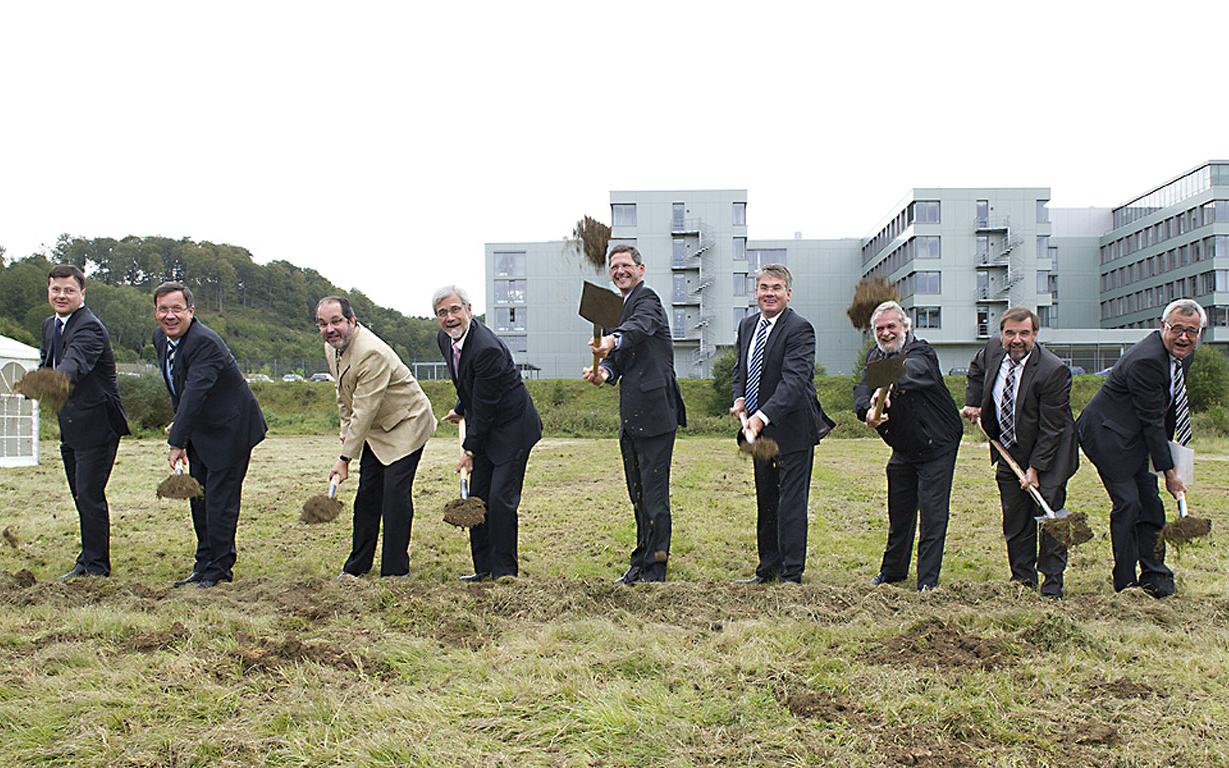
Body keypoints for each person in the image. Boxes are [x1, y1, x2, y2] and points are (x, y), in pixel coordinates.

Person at [1077, 298, 1205, 598]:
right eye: (1177, 329)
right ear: (1163, 327)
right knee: (1129, 504)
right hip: (1108, 437)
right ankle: (1125, 582)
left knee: (1151, 504)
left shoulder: (1182, 355)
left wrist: (1173, 456)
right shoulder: (1146, 361)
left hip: (1137, 436)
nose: (1184, 337)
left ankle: (1155, 574)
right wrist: (1169, 471)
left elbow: (1168, 410)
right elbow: (1152, 421)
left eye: (1192, 331)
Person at [583, 244, 686, 584]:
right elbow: (621, 359)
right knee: (638, 496)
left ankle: (655, 569)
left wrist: (612, 339)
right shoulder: (620, 308)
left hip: (656, 416)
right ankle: (640, 562)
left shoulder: (647, 301)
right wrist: (605, 373)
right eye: (614, 267)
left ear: (641, 269)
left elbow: (639, 329)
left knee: (655, 497)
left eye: (626, 265)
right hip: (631, 417)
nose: (620, 271)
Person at [154, 282, 266, 588]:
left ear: (191, 311)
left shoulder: (205, 343)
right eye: (163, 309)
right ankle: (203, 564)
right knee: (198, 498)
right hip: (201, 430)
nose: (170, 316)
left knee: (219, 501)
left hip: (232, 429)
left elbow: (195, 391)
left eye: (177, 309)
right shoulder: (161, 340)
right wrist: (182, 426)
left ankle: (219, 569)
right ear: (156, 312)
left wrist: (177, 440)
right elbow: (178, 386)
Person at [962, 306, 1078, 598]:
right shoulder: (991, 352)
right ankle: (1022, 580)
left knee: (1050, 518)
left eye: (1024, 333)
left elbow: (1053, 428)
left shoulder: (1053, 370)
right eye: (1010, 333)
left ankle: (1052, 584)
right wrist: (974, 402)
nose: (1017, 340)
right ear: (1001, 334)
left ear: (1035, 335)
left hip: (1049, 455)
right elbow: (976, 372)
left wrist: (1035, 469)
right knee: (1015, 519)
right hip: (1008, 451)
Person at [730, 264, 835, 585]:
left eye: (776, 288)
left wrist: (762, 417)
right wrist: (740, 400)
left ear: (788, 293)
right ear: (756, 293)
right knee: (766, 500)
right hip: (758, 432)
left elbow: (794, 382)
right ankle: (767, 568)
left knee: (791, 503)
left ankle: (791, 573)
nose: (769, 293)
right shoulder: (747, 326)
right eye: (764, 287)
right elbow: (741, 372)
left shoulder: (799, 329)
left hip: (792, 430)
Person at [318, 296, 436, 578]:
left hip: (406, 423)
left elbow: (365, 408)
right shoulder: (331, 347)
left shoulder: (372, 353)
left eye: (336, 321)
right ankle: (356, 567)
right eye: (323, 324)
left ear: (352, 321)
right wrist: (346, 432)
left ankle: (396, 571)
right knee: (368, 496)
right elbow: (344, 395)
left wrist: (344, 458)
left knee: (394, 495)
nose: (330, 329)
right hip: (377, 427)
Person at [434, 285, 541, 582]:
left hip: (513, 429)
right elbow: (470, 384)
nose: (450, 317)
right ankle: (483, 568)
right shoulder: (445, 339)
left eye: (455, 309)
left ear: (469, 310)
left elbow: (487, 402)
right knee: (478, 498)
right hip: (487, 422)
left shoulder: (487, 348)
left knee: (500, 501)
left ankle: (504, 573)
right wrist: (460, 408)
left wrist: (468, 450)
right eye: (443, 313)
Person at [854, 301, 962, 591]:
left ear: (905, 326)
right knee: (899, 511)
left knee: (931, 513)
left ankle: (927, 582)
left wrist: (882, 389)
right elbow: (861, 388)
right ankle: (893, 572)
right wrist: (867, 409)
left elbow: (910, 371)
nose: (886, 333)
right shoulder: (875, 357)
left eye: (891, 326)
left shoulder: (921, 351)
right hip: (904, 446)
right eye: (880, 329)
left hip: (937, 443)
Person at [40, 264, 130, 580]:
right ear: (48, 291)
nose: (61, 295)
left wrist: (52, 381)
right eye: (56, 289)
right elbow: (47, 362)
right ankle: (88, 558)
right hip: (71, 424)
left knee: (89, 493)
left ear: (82, 293)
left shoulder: (89, 328)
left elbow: (73, 364)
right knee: (80, 493)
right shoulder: (50, 326)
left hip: (98, 425)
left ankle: (95, 566)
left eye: (69, 290)